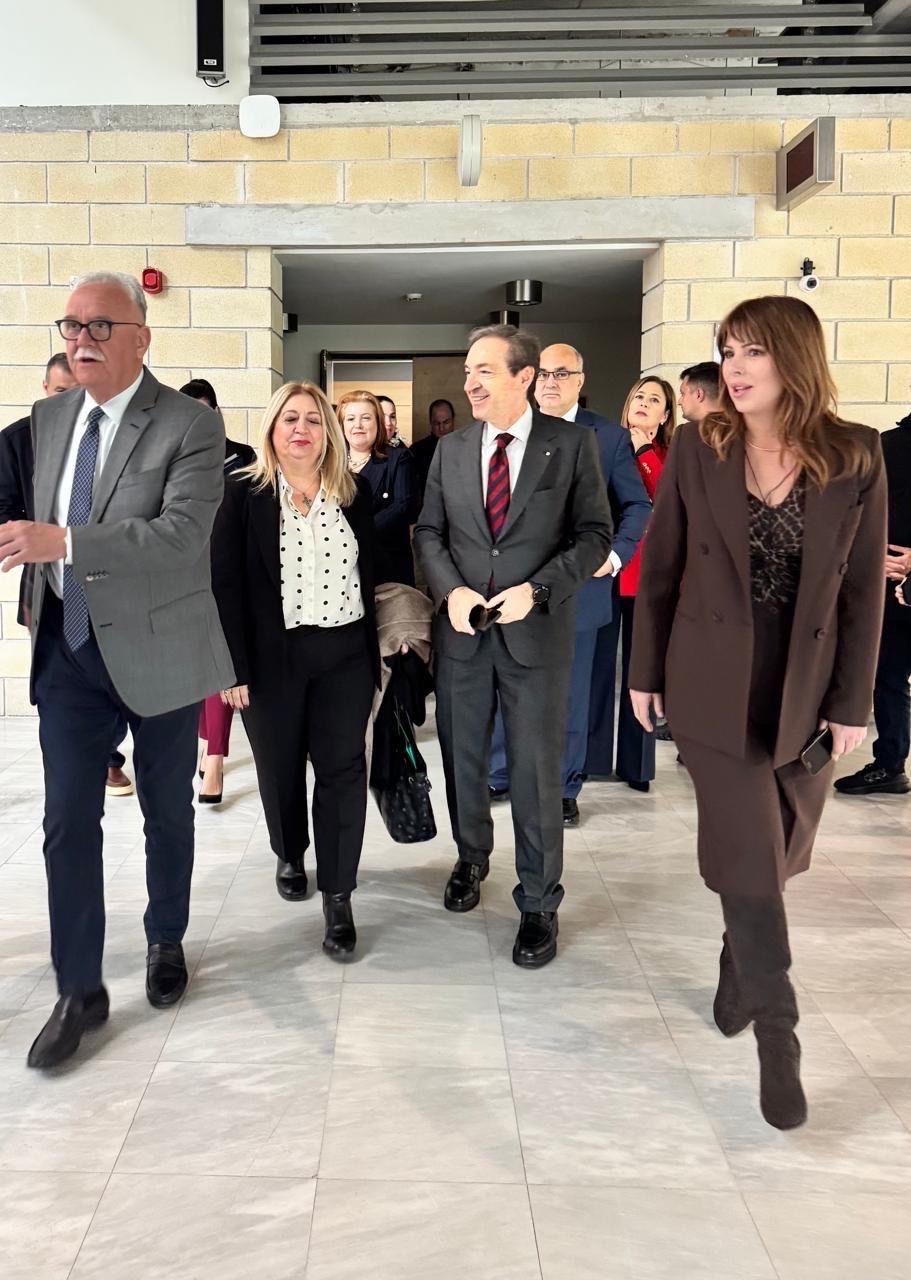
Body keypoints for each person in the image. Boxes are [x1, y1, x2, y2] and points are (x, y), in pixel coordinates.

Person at [629, 295, 886, 1130]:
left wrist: (851, 701)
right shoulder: (698, 447)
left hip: (804, 685)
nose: (733, 369)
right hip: (711, 679)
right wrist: (643, 673)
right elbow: (661, 566)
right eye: (726, 351)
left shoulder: (855, 453)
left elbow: (860, 592)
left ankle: (736, 966)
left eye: (752, 352)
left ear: (793, 359)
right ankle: (779, 1032)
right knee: (745, 842)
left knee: (774, 855)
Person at [0, 271, 234, 1070]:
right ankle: (79, 990)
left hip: (160, 649)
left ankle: (165, 938)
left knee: (166, 812)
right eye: (71, 326)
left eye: (100, 325)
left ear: (141, 337)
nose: (82, 339)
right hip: (68, 653)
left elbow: (180, 536)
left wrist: (63, 543)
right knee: (68, 820)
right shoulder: (47, 420)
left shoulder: (190, 425)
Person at [414, 325, 612, 968]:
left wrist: (541, 590)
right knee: (463, 760)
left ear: (525, 377)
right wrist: (451, 591)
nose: (469, 382)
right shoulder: (451, 450)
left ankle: (538, 901)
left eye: (484, 370)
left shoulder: (572, 444)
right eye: (468, 371)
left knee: (535, 773)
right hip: (464, 636)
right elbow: (429, 532)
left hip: (536, 636)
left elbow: (594, 534)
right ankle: (472, 858)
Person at [211, 381, 380, 958]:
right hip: (270, 661)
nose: (301, 428)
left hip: (344, 655)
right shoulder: (242, 493)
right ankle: (290, 851)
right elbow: (223, 584)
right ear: (272, 429)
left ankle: (339, 896)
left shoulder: (354, 492)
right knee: (279, 767)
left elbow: (374, 571)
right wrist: (231, 668)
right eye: (290, 419)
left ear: (327, 431)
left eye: (312, 418)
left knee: (343, 772)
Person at [487, 343, 650, 824]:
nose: (551, 382)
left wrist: (614, 556)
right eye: (543, 374)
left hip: (580, 587)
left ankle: (562, 786)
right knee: (509, 682)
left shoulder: (609, 438)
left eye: (562, 374)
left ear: (581, 380)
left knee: (571, 693)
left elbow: (637, 506)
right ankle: (500, 771)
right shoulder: (510, 429)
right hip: (514, 585)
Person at [0, 354, 135, 797]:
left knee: (116, 679)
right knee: (62, 688)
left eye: (79, 390)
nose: (73, 400)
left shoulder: (116, 434)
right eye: (62, 391)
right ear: (45, 390)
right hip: (48, 588)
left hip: (114, 583)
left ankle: (107, 749)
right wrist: (41, 536)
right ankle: (96, 763)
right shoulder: (18, 441)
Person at [585, 376, 676, 792]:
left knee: (642, 672)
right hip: (606, 574)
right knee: (597, 670)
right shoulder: (604, 444)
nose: (643, 403)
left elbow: (667, 506)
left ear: (665, 415)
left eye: (654, 400)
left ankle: (637, 766)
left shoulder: (671, 455)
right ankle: (592, 759)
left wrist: (644, 452)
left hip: (649, 581)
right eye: (638, 395)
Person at [179, 378, 256, 806]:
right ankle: (204, 739)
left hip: (227, 573)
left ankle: (214, 760)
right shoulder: (170, 459)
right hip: (183, 574)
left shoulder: (243, 457)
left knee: (217, 660)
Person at [835, 398, 911, 796]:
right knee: (888, 675)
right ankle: (890, 764)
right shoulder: (887, 444)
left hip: (894, 573)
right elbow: (858, 508)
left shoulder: (887, 444)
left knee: (890, 677)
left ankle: (890, 764)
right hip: (888, 579)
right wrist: (872, 555)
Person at [338, 389, 420, 586]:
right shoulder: (330, 463)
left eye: (366, 418)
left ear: (377, 423)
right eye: (350, 419)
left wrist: (354, 534)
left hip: (386, 571)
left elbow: (402, 506)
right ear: (341, 425)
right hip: (339, 572)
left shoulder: (397, 458)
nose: (357, 425)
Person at [410, 398, 457, 497]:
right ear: (430, 423)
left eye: (446, 422)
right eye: (437, 423)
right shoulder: (417, 450)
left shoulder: (466, 449)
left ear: (453, 420)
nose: (441, 428)